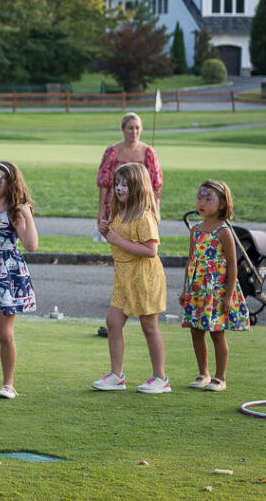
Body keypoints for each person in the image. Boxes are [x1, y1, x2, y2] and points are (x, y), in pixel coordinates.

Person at [94, 163, 170, 394]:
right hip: (124, 277)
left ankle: (161, 378)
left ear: (138, 186)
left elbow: (151, 250)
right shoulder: (121, 212)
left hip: (145, 277)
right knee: (113, 322)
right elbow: (119, 240)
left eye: (125, 184)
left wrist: (117, 240)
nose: (119, 188)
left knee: (149, 326)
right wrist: (107, 231)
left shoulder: (144, 216)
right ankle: (116, 376)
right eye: (117, 183)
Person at [179, 180, 249, 391]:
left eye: (208, 199)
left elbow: (232, 267)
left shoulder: (223, 232)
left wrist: (228, 296)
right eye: (200, 198)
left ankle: (220, 377)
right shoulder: (196, 231)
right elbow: (191, 261)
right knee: (196, 330)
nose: (201, 203)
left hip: (216, 291)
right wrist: (185, 290)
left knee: (216, 332)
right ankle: (203, 373)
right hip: (197, 290)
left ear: (221, 204)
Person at [0, 158, 38, 400]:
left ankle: (9, 382)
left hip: (8, 273)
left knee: (5, 334)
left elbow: (31, 245)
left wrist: (27, 215)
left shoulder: (15, 211)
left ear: (9, 182)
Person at [97, 113, 163, 236]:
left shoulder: (148, 152)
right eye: (130, 128)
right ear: (123, 129)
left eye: (137, 128)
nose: (134, 131)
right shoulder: (112, 151)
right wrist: (101, 211)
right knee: (116, 239)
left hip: (141, 205)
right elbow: (104, 184)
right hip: (117, 204)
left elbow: (155, 186)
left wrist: (156, 210)